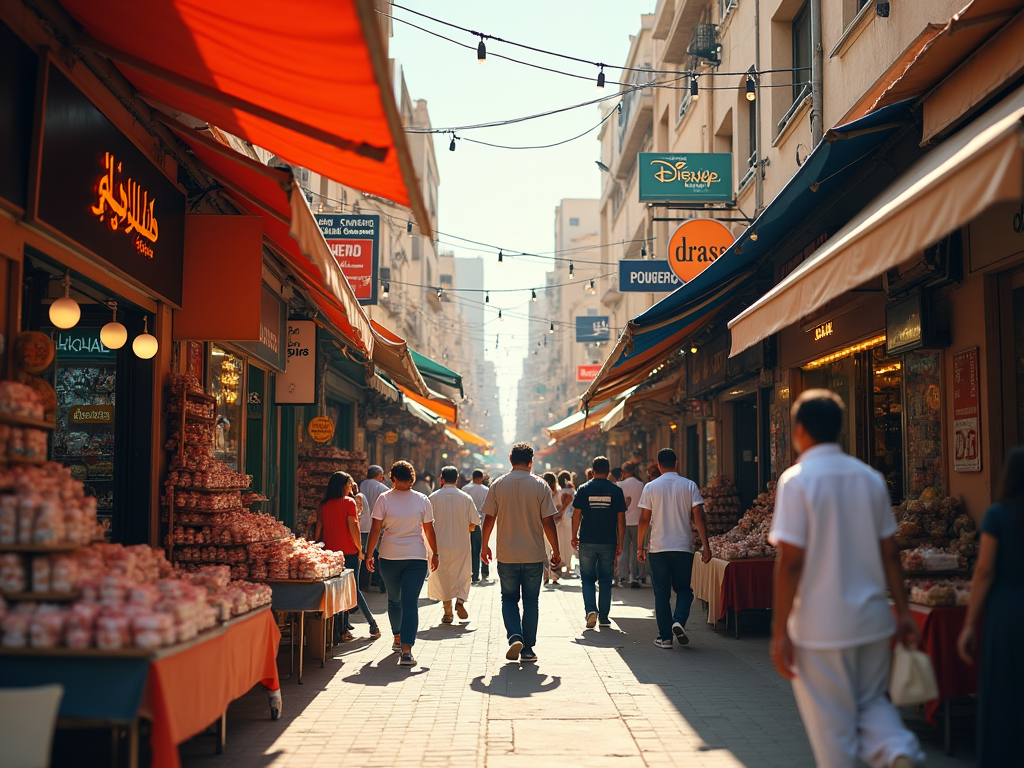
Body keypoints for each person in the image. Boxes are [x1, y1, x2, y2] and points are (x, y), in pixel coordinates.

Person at [769, 389, 923, 768]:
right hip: (872, 620)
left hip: (820, 628)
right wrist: (903, 612)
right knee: (872, 702)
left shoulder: (797, 480)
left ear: (800, 430)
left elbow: (790, 562)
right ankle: (896, 748)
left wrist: (778, 632)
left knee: (833, 728)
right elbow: (890, 552)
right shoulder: (870, 479)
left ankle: (890, 752)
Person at [957, 446, 1024, 767]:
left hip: (1007, 611)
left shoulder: (998, 515)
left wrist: (970, 623)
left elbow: (984, 570)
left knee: (1002, 690)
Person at [481, 442, 561, 663]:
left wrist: (484, 545)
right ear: (531, 461)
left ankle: (514, 635)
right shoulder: (540, 485)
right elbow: (548, 522)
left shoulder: (498, 485)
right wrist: (555, 549)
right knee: (531, 601)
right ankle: (527, 649)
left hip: (506, 555)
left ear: (510, 460)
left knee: (508, 599)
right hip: (534, 554)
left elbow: (489, 518)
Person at [365, 461, 440, 667]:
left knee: (394, 600)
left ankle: (398, 638)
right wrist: (435, 553)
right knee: (410, 603)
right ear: (412, 478)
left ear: (393, 478)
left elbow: (375, 529)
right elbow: (429, 530)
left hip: (389, 557)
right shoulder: (422, 499)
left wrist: (368, 554)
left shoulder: (384, 499)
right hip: (416, 557)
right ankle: (406, 651)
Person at [637, 448, 710, 649]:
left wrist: (640, 546)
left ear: (658, 466)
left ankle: (665, 637)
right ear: (676, 463)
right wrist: (705, 546)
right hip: (683, 547)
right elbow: (699, 516)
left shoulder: (651, 487)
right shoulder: (689, 486)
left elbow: (644, 519)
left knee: (661, 593)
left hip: (658, 548)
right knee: (684, 590)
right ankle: (678, 620)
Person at [313, 471, 378, 642]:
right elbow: (353, 528)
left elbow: (319, 528)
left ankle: (342, 628)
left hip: (330, 554)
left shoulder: (323, 504)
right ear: (343, 485)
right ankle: (371, 622)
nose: (351, 487)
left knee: (338, 589)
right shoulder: (349, 502)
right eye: (349, 484)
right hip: (348, 551)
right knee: (353, 589)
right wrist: (360, 549)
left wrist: (315, 544)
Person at [571, 456, 627, 629]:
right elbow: (621, 519)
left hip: (587, 540)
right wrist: (620, 542)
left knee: (587, 579)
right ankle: (603, 617)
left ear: (592, 471)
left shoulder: (583, 489)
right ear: (608, 471)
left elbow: (576, 515)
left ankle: (590, 611)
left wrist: (574, 535)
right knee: (605, 579)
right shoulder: (616, 491)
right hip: (608, 541)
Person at [427, 466, 480, 623]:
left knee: (443, 576)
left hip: (439, 545)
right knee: (463, 574)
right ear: (457, 480)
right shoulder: (465, 498)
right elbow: (475, 522)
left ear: (441, 479)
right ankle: (460, 601)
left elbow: (426, 523)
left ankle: (448, 611)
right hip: (461, 544)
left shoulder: (433, 497)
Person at [360, 466, 390, 591]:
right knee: (379, 553)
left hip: (362, 525)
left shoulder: (361, 485)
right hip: (379, 525)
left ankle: (366, 582)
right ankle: (380, 581)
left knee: (366, 553)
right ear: (380, 475)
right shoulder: (382, 488)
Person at [617, 462, 646, 588]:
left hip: (623, 522)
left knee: (623, 549)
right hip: (638, 521)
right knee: (637, 550)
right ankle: (635, 577)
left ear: (623, 472)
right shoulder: (641, 485)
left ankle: (623, 576)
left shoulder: (619, 485)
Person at [463, 469, 491, 582]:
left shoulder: (465, 489)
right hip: (484, 522)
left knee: (472, 548)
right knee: (483, 546)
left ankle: (474, 574)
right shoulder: (487, 490)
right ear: (481, 478)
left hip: (469, 523)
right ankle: (485, 570)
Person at [555, 471, 576, 578]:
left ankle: (561, 562)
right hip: (569, 517)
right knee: (568, 541)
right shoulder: (572, 491)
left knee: (560, 541)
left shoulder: (558, 491)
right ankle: (568, 565)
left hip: (559, 518)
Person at [541, 472, 560, 585]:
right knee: (553, 551)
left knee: (545, 552)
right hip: (555, 525)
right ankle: (555, 575)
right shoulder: (556, 493)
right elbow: (559, 510)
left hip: (543, 526)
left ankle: (545, 574)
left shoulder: (541, 490)